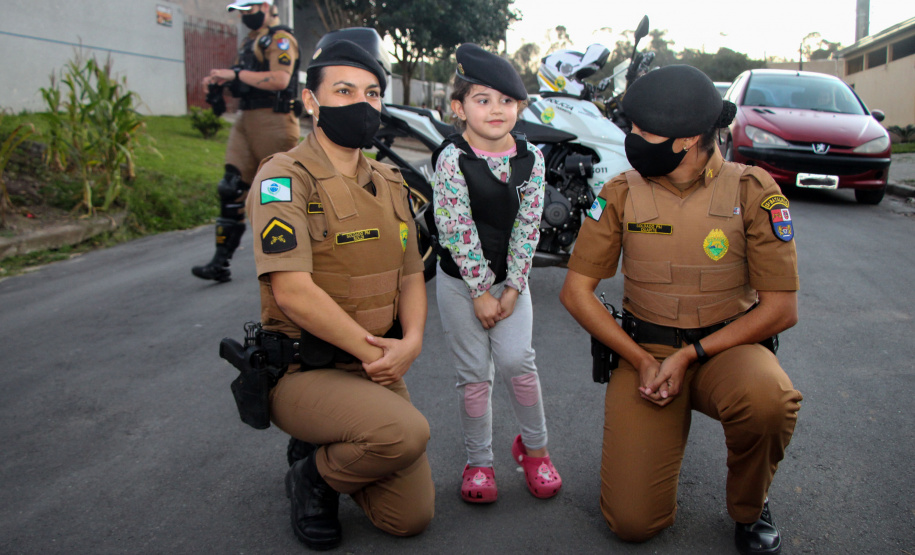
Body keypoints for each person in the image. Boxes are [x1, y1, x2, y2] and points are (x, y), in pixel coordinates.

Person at [559, 65, 803, 555]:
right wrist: (643, 359)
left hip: (726, 350)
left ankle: (751, 507)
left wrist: (691, 355)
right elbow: (576, 291)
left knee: (770, 401)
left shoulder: (752, 191)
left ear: (688, 139)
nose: (631, 139)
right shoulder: (621, 193)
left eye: (642, 132)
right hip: (643, 352)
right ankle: (656, 441)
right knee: (631, 523)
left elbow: (780, 308)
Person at [245, 39, 434, 549]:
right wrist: (374, 351)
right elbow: (292, 292)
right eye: (344, 90)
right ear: (311, 101)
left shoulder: (391, 180)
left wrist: (412, 341)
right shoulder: (284, 178)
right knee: (405, 434)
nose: (360, 103)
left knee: (409, 518)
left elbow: (412, 273)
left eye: (372, 93)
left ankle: (330, 451)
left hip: (375, 364)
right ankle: (310, 478)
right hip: (309, 369)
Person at [432, 43, 561, 504]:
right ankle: (480, 462)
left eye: (506, 100)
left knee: (515, 362)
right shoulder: (451, 159)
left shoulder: (531, 158)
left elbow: (529, 225)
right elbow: (455, 227)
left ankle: (535, 450)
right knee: (474, 376)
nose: (495, 109)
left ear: (520, 107)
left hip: (511, 284)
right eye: (482, 99)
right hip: (459, 283)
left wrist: (513, 287)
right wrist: (480, 293)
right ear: (459, 107)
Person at [192, 0, 300, 282]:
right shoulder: (250, 42)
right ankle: (220, 262)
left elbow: (280, 79)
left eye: (248, 10)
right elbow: (246, 79)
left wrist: (236, 74)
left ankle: (294, 263)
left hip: (273, 120)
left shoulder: (280, 39)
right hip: (246, 118)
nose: (244, 17)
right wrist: (221, 83)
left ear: (266, 6)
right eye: (240, 12)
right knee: (230, 187)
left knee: (278, 193)